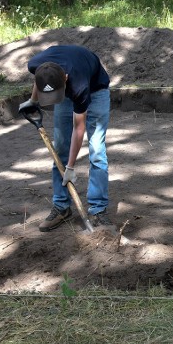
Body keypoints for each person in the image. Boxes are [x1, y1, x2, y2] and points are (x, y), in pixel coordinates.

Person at [19, 45, 113, 230]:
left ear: (66, 79)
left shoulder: (78, 85)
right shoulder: (34, 64)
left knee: (97, 150)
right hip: (64, 84)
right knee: (60, 146)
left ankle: (98, 210)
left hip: (96, 90)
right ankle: (62, 207)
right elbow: (40, 80)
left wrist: (70, 167)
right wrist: (33, 101)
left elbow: (79, 129)